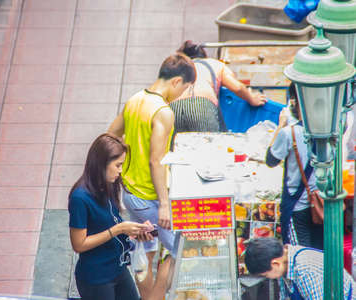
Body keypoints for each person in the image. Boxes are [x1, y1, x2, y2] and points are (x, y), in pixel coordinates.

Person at [108, 53, 196, 300]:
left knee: (145, 248)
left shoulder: (135, 99)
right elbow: (156, 160)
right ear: (177, 82)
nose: (183, 95)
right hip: (149, 197)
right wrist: (165, 206)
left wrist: (129, 155)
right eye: (186, 89)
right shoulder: (163, 112)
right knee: (179, 249)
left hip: (130, 192)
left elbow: (110, 136)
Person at [68, 133, 152, 300]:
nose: (120, 171)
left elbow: (112, 220)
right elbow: (79, 244)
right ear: (102, 164)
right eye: (118, 165)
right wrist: (118, 229)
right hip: (96, 278)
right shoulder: (80, 198)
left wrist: (133, 232)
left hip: (118, 267)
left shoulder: (108, 185)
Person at [265, 83, 323, 249]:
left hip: (297, 207)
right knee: (319, 255)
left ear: (294, 103)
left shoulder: (289, 133)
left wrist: (281, 125)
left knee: (299, 257)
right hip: (322, 205)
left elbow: (271, 160)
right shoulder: (331, 132)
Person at [170, 40, 267, 137]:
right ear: (204, 55)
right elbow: (237, 87)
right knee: (209, 146)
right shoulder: (215, 64)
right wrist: (252, 98)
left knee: (179, 148)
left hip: (174, 107)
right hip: (201, 106)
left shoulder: (179, 68)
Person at [244, 237, 354, 300]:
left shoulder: (305, 270)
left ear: (275, 263)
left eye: (266, 275)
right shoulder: (284, 260)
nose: (268, 278)